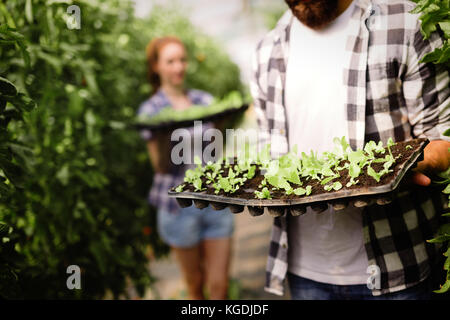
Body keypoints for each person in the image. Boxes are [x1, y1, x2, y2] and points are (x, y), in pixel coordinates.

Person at [250, 0, 449, 300]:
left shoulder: (406, 24)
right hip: (304, 273)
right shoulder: (266, 51)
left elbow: (443, 135)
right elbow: (268, 145)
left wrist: (408, 165)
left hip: (398, 266)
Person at [137, 36, 234, 300]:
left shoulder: (204, 101)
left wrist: (221, 122)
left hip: (215, 201)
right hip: (178, 207)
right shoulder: (151, 111)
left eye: (181, 59)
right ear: (156, 67)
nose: (178, 67)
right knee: (194, 284)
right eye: (170, 61)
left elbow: (214, 152)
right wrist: (169, 133)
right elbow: (160, 166)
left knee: (219, 286)